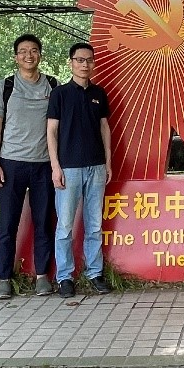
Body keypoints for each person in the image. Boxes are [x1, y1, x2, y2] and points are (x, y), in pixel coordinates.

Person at [0, 34, 57, 299]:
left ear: (40, 54)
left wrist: (56, 165)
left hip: (43, 164)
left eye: (34, 50)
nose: (29, 55)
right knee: (7, 224)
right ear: (16, 57)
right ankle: (4, 278)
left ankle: (42, 276)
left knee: (43, 222)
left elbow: (57, 128)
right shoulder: (5, 86)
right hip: (11, 163)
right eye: (23, 51)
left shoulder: (52, 85)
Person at [47, 42, 113, 297]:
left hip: (96, 166)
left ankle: (95, 273)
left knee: (94, 224)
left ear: (93, 64)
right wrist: (55, 166)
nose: (85, 64)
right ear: (71, 63)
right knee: (65, 226)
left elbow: (104, 128)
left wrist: (108, 161)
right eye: (79, 60)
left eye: (89, 60)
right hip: (69, 168)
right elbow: (51, 131)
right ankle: (65, 277)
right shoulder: (59, 94)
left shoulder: (99, 93)